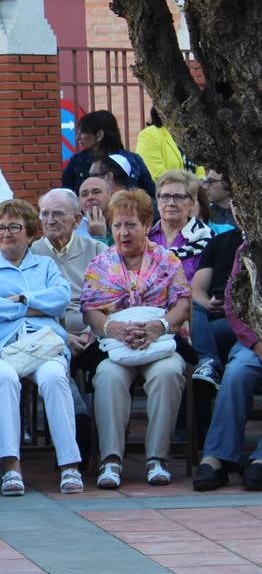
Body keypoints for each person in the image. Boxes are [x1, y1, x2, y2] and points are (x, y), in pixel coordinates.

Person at [0, 199, 84, 495]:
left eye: (14, 227)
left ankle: (69, 465)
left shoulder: (45, 264)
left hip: (43, 345)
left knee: (54, 377)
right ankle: (10, 467)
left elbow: (60, 298)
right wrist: (35, 304)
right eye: (1, 227)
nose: (6, 233)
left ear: (31, 232)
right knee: (5, 378)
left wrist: (19, 300)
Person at [81, 189, 190, 489]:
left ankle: (157, 459)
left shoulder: (167, 260)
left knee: (168, 373)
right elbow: (90, 309)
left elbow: (183, 302)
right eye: (117, 226)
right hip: (117, 345)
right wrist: (113, 329)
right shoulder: (100, 264)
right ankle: (111, 460)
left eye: (130, 225)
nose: (123, 232)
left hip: (160, 341)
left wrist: (160, 326)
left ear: (146, 224)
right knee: (107, 376)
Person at [194, 239, 262, 490]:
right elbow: (234, 305)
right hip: (253, 339)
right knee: (236, 372)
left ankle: (260, 458)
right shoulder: (248, 249)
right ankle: (217, 457)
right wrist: (256, 344)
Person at [31, 189, 102, 347]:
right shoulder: (30, 255)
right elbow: (29, 310)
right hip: (47, 339)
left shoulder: (98, 251)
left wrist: (92, 332)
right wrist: (62, 336)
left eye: (58, 214)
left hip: (94, 336)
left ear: (77, 220)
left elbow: (109, 303)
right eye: (44, 214)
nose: (50, 221)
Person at [188, 226, 245, 387]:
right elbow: (197, 289)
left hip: (245, 320)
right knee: (192, 304)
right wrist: (208, 303)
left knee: (193, 338)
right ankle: (207, 365)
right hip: (215, 311)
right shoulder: (220, 241)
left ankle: (207, 362)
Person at [61, 110, 155, 195]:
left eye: (82, 132)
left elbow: (151, 194)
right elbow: (66, 194)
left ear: (99, 135)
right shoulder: (77, 161)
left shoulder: (133, 160)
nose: (77, 137)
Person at [149, 169, 213, 282]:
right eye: (165, 196)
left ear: (192, 203)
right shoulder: (145, 236)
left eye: (178, 197)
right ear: (158, 201)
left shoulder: (206, 239)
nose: (171, 203)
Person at [136, 106, 201, 182]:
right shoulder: (149, 135)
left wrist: (201, 184)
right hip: (167, 192)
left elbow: (200, 167)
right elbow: (157, 176)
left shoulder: (189, 134)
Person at [78, 176, 113, 244]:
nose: (90, 197)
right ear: (79, 202)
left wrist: (99, 238)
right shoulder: (73, 231)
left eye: (96, 192)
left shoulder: (122, 225)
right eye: (84, 194)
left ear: (111, 196)